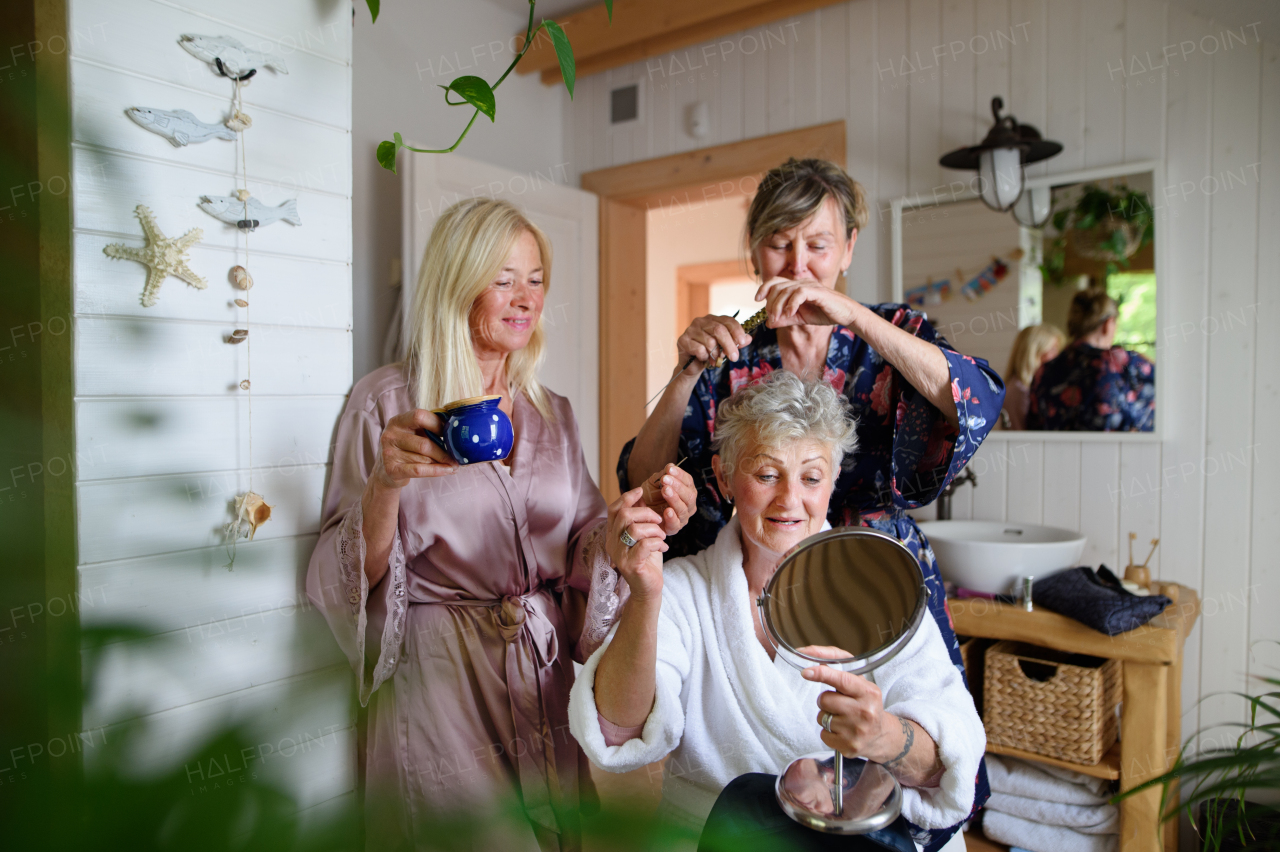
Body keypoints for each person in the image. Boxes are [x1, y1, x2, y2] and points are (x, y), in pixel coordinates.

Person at [306, 198, 696, 851]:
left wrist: (635, 518)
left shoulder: (554, 413)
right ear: (457, 282)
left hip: (537, 677)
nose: (525, 298)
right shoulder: (388, 404)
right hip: (440, 680)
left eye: (536, 278)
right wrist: (386, 483)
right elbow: (346, 575)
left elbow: (583, 545)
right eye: (503, 278)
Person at [619, 157, 1001, 735]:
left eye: (818, 246)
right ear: (754, 253)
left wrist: (853, 315)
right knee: (774, 745)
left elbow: (974, 397)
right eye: (779, 244)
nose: (799, 266)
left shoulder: (892, 331)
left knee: (908, 737)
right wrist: (683, 376)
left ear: (848, 248)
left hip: (879, 571)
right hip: (761, 577)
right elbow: (645, 480)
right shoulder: (732, 350)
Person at [571, 373, 985, 851]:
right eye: (766, 474)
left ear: (832, 480)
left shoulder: (879, 584)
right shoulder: (683, 591)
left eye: (811, 477)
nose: (790, 500)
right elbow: (619, 731)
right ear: (724, 477)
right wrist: (644, 593)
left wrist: (887, 739)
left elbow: (948, 755)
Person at [1027, 289, 1155, 431]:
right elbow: (1165, 390)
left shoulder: (1044, 370)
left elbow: (1033, 425)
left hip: (1054, 452)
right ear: (1108, 324)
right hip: (1112, 451)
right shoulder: (1119, 362)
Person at [1000, 324, 1065, 430]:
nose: (1057, 355)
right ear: (1034, 352)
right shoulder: (1021, 391)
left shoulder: (1022, 387)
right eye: (1053, 349)